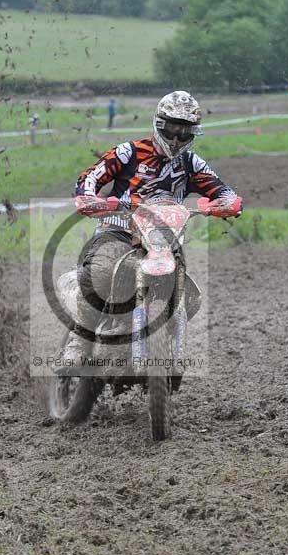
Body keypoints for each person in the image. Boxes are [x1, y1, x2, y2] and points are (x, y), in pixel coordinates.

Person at [62, 90, 243, 366]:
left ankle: (165, 338)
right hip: (119, 229)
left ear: (193, 134)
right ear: (159, 124)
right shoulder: (129, 152)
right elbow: (91, 176)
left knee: (190, 296)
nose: (176, 138)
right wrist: (90, 198)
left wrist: (227, 204)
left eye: (184, 132)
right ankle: (79, 341)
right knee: (98, 274)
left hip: (164, 237)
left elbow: (223, 190)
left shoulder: (191, 163)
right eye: (171, 129)